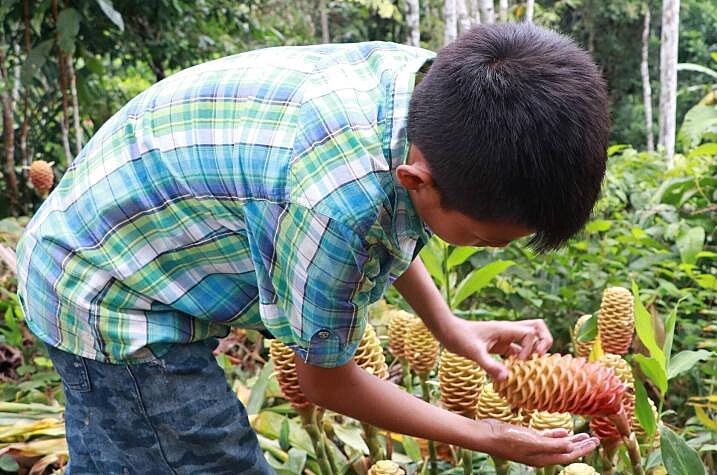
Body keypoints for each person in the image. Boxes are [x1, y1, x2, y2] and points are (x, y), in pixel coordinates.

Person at [16, 22, 610, 473]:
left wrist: (448, 326)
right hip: (103, 294)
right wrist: (486, 435)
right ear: (418, 180)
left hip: (134, 233)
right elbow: (328, 381)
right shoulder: (331, 202)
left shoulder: (432, 91)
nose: (487, 250)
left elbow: (391, 221)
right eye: (483, 238)